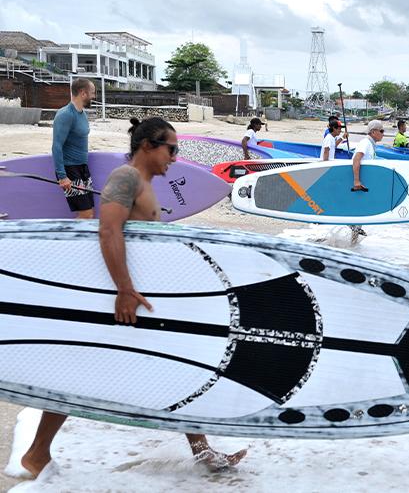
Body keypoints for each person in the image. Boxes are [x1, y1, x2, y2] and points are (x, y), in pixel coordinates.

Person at [20, 118, 247, 478]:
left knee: (174, 369)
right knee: (90, 372)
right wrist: (123, 290)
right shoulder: (125, 178)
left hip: (140, 297)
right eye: (171, 149)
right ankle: (36, 453)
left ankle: (203, 452)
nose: (175, 156)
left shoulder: (144, 183)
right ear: (148, 146)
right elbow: (107, 230)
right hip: (125, 297)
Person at [52, 77, 96, 219]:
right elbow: (57, 146)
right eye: (92, 93)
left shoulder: (82, 114)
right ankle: (67, 240)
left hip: (83, 168)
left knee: (89, 214)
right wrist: (62, 176)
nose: (94, 96)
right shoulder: (65, 115)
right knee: (86, 214)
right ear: (83, 93)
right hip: (70, 170)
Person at [351, 119, 384, 192]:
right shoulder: (365, 142)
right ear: (373, 132)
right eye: (381, 131)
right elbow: (356, 159)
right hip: (360, 182)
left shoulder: (370, 144)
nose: (383, 134)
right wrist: (356, 181)